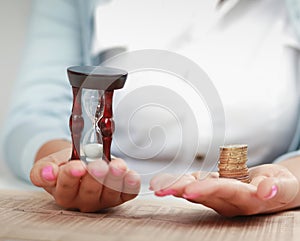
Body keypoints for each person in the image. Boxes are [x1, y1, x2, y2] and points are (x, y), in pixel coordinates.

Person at [1, 0, 300, 216]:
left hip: (261, 217)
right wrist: (62, 162)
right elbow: (34, 114)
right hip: (115, 216)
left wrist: (289, 180)